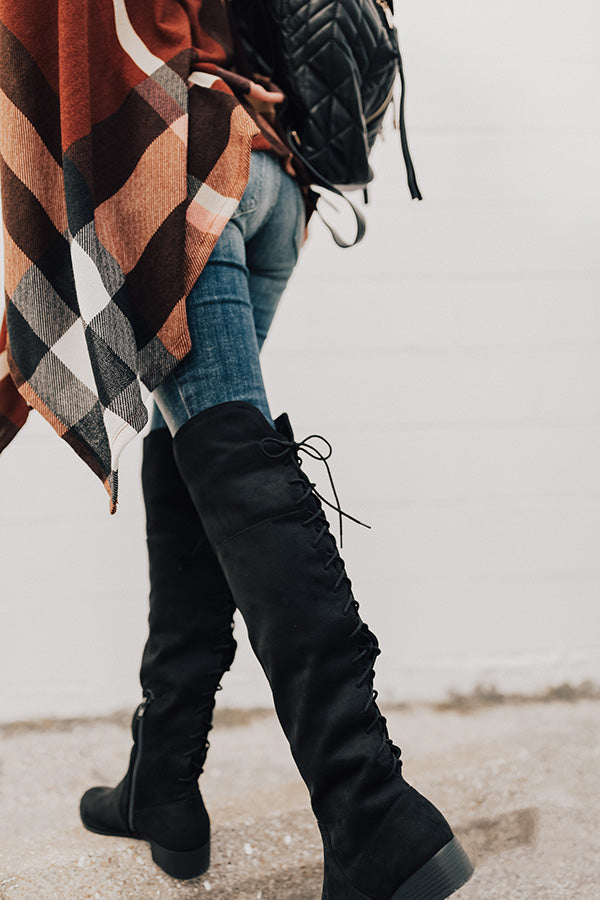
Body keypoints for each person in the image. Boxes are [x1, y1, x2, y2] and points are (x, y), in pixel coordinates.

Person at [0, 2, 473, 898]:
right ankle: (164, 785)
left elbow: (78, 70)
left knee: (231, 462)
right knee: (205, 457)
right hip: (266, 179)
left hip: (184, 177)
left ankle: (369, 807)